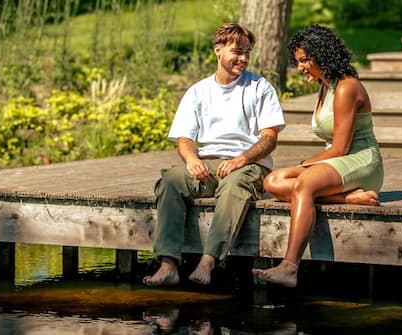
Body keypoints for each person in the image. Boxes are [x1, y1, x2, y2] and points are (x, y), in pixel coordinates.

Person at [143, 23, 286, 286]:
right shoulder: (198, 92)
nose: (243, 58)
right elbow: (184, 138)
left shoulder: (259, 88)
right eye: (237, 52)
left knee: (234, 185)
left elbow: (270, 138)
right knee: (171, 181)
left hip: (249, 164)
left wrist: (242, 159)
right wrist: (192, 159)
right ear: (218, 50)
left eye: (247, 52)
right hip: (209, 164)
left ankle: (208, 262)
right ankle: (168, 264)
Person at [252, 24, 384, 288]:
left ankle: (289, 267)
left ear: (321, 55)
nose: (300, 67)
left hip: (361, 160)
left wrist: (304, 165)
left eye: (304, 61)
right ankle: (348, 198)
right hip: (337, 161)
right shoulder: (325, 86)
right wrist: (307, 167)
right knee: (273, 182)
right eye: (297, 61)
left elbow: (340, 149)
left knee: (304, 183)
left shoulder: (346, 88)